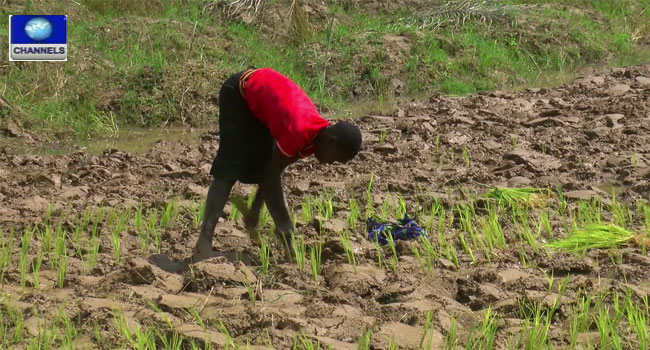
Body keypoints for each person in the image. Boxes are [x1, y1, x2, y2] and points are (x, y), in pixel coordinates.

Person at [192, 67, 362, 262]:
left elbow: (271, 171)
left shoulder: (314, 138)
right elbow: (271, 178)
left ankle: (284, 246)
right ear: (332, 141)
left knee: (262, 162)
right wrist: (285, 226)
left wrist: (254, 211)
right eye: (335, 158)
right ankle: (203, 245)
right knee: (229, 167)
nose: (330, 163)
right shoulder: (299, 131)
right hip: (239, 93)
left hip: (261, 103)